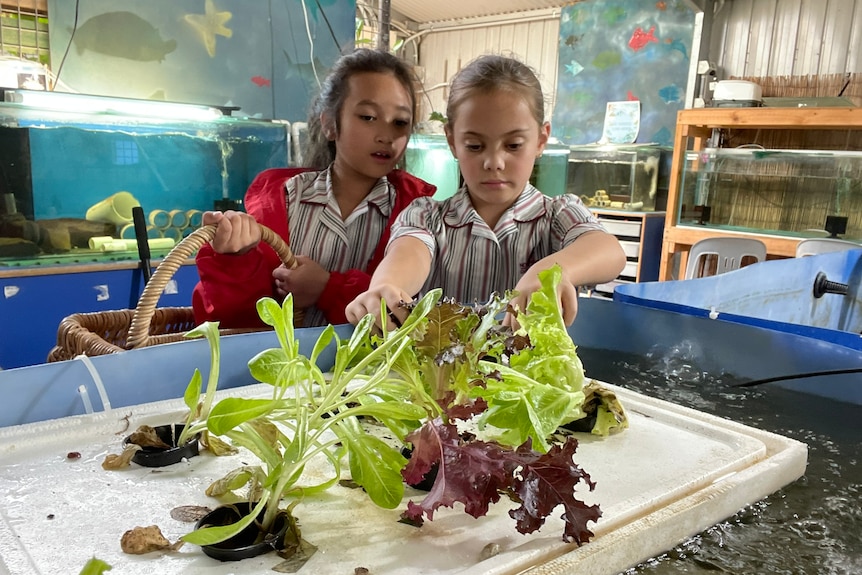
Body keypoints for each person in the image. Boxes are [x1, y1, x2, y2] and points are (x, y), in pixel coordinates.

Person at [345, 54, 626, 328]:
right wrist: (387, 287)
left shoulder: (556, 215)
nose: (494, 163)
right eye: (475, 146)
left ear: (541, 140)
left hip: (530, 375)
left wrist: (551, 271)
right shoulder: (426, 216)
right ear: (452, 141)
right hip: (445, 376)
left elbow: (607, 250)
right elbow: (409, 252)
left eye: (513, 145)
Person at [192, 48, 436, 328]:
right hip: (280, 371)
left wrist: (328, 289)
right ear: (330, 125)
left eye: (400, 122)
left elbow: (413, 315)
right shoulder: (282, 201)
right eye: (368, 117)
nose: (386, 135)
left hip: (373, 372)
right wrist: (233, 260)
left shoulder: (416, 215)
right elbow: (233, 322)